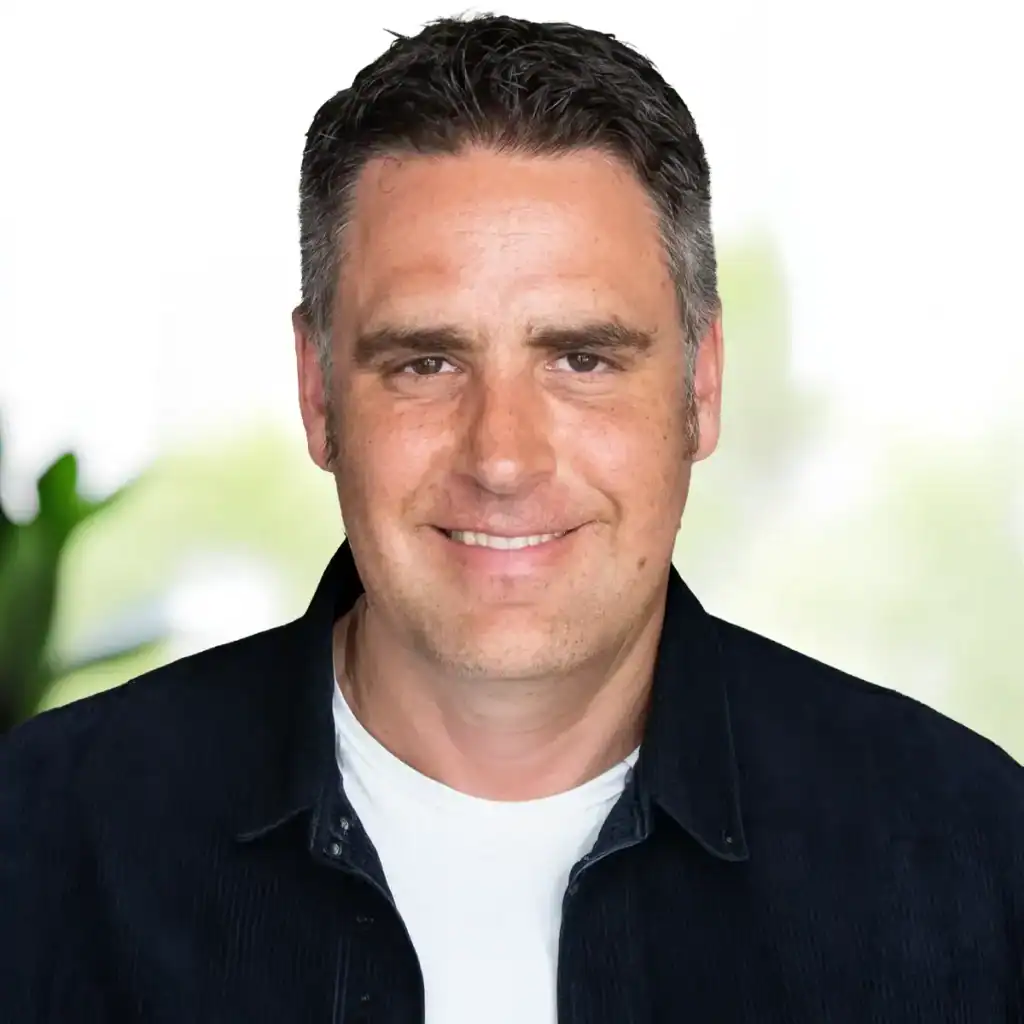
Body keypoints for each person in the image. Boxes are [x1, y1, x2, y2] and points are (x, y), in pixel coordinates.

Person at [2, 12, 1022, 1023]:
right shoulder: (38, 846)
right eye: (425, 362)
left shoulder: (971, 859)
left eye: (581, 359)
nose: (500, 458)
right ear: (317, 392)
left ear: (701, 387)